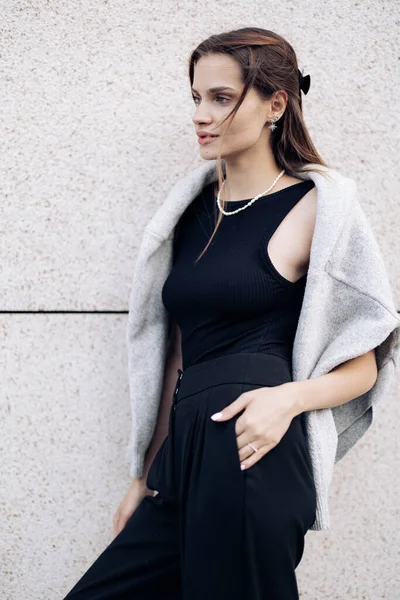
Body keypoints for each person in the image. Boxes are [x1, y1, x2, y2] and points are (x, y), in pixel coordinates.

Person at [62, 27, 400, 600]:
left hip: (254, 444)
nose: (202, 114)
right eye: (196, 97)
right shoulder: (187, 214)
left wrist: (286, 399)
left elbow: (364, 362)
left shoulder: (318, 206)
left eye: (221, 98)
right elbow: (175, 355)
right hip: (185, 453)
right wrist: (146, 476)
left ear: (276, 103)